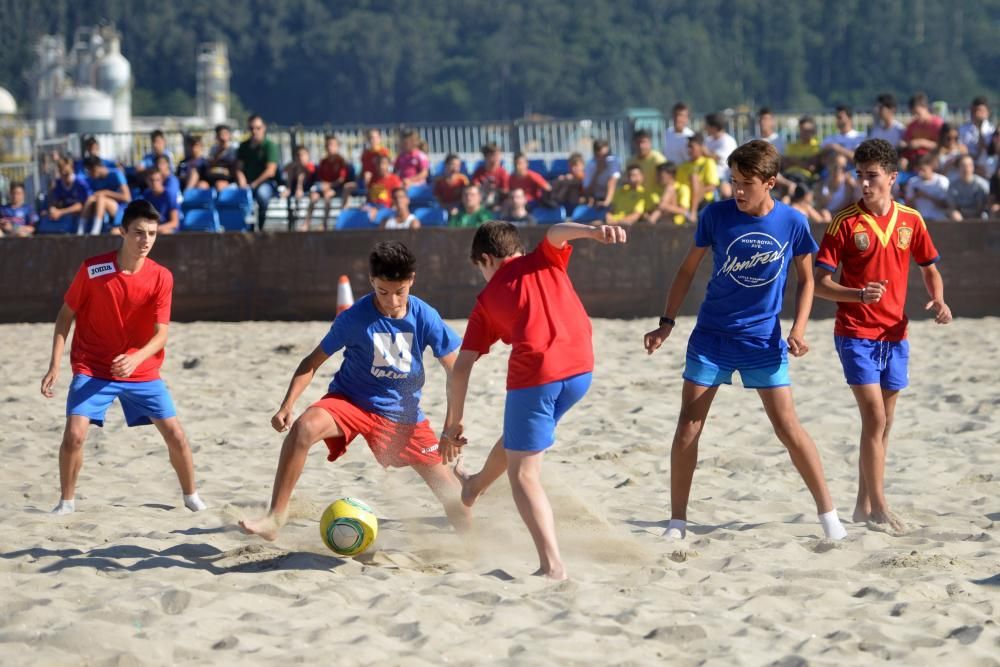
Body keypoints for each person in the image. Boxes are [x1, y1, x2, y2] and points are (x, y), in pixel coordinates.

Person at [642, 140, 848, 543]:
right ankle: (677, 522)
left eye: (746, 183)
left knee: (788, 429)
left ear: (770, 182)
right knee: (688, 426)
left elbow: (808, 281)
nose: (736, 190)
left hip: (762, 342)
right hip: (711, 336)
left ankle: (829, 517)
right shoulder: (716, 215)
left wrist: (800, 329)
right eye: (733, 180)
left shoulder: (792, 222)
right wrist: (666, 322)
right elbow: (686, 272)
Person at [239, 241, 469, 540]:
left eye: (400, 291)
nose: (392, 301)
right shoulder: (354, 318)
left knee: (454, 498)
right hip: (351, 401)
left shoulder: (424, 315)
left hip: (403, 415)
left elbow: (457, 372)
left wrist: (452, 425)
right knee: (304, 428)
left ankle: (472, 544)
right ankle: (274, 517)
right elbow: (311, 362)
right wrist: (287, 404)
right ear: (372, 281)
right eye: (383, 292)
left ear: (412, 279)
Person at [439, 220, 627, 580]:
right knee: (519, 437)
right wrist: (593, 231)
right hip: (581, 371)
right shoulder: (545, 258)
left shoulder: (488, 297)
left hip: (537, 376)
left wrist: (454, 422)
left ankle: (552, 565)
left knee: (523, 474)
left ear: (486, 259)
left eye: (480, 268)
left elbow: (461, 368)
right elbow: (557, 231)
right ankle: (474, 485)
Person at [814, 138, 951, 533]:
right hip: (855, 332)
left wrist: (939, 299)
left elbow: (929, 267)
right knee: (874, 418)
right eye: (860, 176)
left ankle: (862, 504)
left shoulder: (911, 219)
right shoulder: (844, 222)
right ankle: (879, 506)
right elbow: (820, 283)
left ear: (892, 177)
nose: (864, 184)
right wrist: (857, 294)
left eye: (872, 176)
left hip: (895, 333)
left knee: (883, 424)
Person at [41, 200, 208, 515]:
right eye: (139, 233)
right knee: (74, 435)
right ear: (122, 232)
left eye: (153, 234)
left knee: (176, 434)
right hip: (93, 366)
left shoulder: (162, 277)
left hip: (141, 370)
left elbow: (162, 335)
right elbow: (65, 316)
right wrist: (55, 364)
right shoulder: (94, 269)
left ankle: (191, 497)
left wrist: (135, 358)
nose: (146, 241)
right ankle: (66, 502)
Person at [236, 114, 280, 232]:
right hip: (246, 183)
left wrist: (254, 184)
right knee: (232, 194)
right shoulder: (243, 146)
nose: (255, 131)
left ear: (264, 128)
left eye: (258, 128)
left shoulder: (269, 146)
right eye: (252, 128)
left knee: (262, 195)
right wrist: (242, 182)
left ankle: (261, 227)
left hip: (265, 183)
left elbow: (270, 171)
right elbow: (239, 168)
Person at [307, 135, 356, 230]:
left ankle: (324, 224)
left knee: (327, 195)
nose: (330, 147)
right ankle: (307, 223)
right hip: (325, 187)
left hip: (337, 188)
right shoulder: (323, 161)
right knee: (313, 196)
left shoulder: (341, 161)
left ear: (337, 147)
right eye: (328, 145)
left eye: (333, 145)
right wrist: (323, 185)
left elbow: (341, 180)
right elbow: (320, 178)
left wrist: (329, 185)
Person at [81, 156, 131, 236]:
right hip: (104, 210)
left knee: (101, 198)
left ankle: (95, 231)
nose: (89, 175)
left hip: (121, 209)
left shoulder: (116, 174)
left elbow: (127, 197)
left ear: (96, 168)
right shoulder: (94, 179)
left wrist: (106, 192)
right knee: (91, 199)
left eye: (89, 171)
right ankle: (80, 231)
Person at [677, 133, 720, 217]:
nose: (689, 150)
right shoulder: (683, 165)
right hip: (684, 199)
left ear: (701, 147)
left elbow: (712, 186)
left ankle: (692, 213)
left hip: (703, 201)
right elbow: (678, 184)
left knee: (694, 178)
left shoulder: (708, 162)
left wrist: (694, 192)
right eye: (688, 147)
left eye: (691, 147)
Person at [47, 156, 91, 232]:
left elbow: (82, 206)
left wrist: (61, 212)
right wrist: (52, 208)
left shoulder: (80, 183)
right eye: (61, 172)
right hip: (66, 216)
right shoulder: (58, 183)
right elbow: (56, 200)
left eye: (66, 172)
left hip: (82, 216)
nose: (64, 175)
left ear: (72, 169)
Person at [901, 92, 944, 168]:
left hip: (932, 161)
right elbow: (907, 143)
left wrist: (922, 143)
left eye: (917, 113)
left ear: (925, 107)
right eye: (913, 114)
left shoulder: (938, 124)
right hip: (914, 161)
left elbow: (943, 146)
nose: (915, 117)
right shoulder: (912, 125)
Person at [904, 155, 950, 222]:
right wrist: (915, 197)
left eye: (923, 170)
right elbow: (908, 206)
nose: (920, 173)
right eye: (919, 169)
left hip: (938, 220)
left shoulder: (942, 181)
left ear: (931, 168)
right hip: (920, 220)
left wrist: (926, 196)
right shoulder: (912, 182)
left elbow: (945, 205)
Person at [281, 146, 316, 230]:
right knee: (293, 168)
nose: (300, 157)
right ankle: (288, 188)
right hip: (293, 188)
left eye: (303, 155)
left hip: (308, 188)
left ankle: (306, 223)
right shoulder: (293, 166)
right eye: (298, 155)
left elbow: (310, 172)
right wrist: (294, 165)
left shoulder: (310, 166)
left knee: (301, 170)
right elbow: (285, 169)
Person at [703, 113, 738, 197]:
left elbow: (717, 157)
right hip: (708, 174)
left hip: (724, 176)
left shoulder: (728, 141)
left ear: (714, 127)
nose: (705, 128)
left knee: (725, 192)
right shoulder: (708, 140)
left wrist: (703, 151)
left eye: (706, 125)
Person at [947, 155, 990, 221]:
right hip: (960, 217)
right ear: (958, 167)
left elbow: (982, 207)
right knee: (953, 214)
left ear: (973, 167)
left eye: (970, 165)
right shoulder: (953, 185)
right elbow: (952, 206)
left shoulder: (982, 184)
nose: (966, 168)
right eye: (963, 166)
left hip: (978, 215)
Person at [814, 153, 859, 217]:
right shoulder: (821, 184)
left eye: (843, 167)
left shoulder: (849, 183)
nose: (838, 169)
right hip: (826, 217)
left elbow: (848, 205)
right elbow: (819, 206)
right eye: (835, 166)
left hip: (842, 216)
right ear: (828, 166)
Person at [958, 96, 994, 172]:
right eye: (974, 111)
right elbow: (960, 147)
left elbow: (990, 150)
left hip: (986, 166)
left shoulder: (992, 131)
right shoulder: (962, 129)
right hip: (967, 163)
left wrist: (980, 129)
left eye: (980, 111)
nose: (977, 114)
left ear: (988, 112)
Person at [583, 139, 622, 209]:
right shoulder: (590, 165)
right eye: (602, 155)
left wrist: (606, 202)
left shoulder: (613, 162)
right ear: (595, 155)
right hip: (597, 199)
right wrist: (597, 172)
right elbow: (587, 189)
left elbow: (612, 181)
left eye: (608, 154)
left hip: (614, 199)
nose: (606, 158)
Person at [783, 116, 822, 183]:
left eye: (807, 130)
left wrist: (794, 160)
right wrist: (804, 162)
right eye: (802, 129)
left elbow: (812, 168)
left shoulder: (817, 147)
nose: (804, 133)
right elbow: (785, 164)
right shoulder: (792, 146)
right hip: (788, 175)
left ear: (813, 131)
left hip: (804, 178)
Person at [471, 143, 510, 210]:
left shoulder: (503, 173)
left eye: (499, 155)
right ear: (486, 157)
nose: (497, 158)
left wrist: (495, 190)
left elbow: (506, 191)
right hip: (481, 202)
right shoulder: (479, 172)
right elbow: (474, 188)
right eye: (494, 155)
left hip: (498, 204)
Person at [205, 124, 238, 190]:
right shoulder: (213, 149)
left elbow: (235, 167)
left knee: (220, 185)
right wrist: (219, 153)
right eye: (220, 134)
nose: (223, 137)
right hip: (213, 176)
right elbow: (210, 164)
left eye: (225, 134)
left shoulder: (234, 149)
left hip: (227, 178)